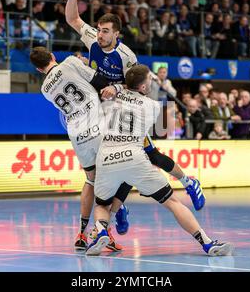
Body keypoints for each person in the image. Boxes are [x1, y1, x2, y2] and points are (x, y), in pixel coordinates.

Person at [65, 0, 206, 241]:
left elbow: (133, 83)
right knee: (110, 163)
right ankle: (117, 210)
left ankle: (188, 181)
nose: (100, 34)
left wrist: (115, 88)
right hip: (100, 112)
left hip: (122, 107)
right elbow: (73, 20)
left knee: (147, 153)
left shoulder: (126, 55)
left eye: (105, 31)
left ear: (116, 34)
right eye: (98, 29)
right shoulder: (93, 40)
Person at [86, 65, 233, 256]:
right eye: (150, 81)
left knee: (102, 205)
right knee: (172, 202)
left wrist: (118, 88)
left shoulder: (107, 99)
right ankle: (207, 243)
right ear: (144, 87)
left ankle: (101, 231)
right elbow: (160, 138)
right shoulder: (152, 106)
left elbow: (116, 90)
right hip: (133, 157)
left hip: (106, 157)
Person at [29, 46, 125, 252]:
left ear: (38, 70)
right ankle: (104, 228)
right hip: (97, 125)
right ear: (53, 56)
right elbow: (100, 83)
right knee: (116, 175)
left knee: (91, 180)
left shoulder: (44, 90)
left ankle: (82, 233)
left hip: (77, 134)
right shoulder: (70, 62)